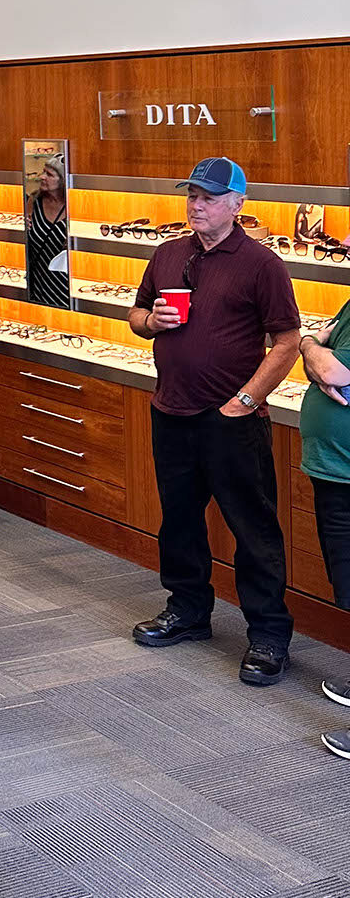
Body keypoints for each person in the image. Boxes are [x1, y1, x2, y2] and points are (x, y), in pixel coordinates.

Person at [128, 157, 301, 685]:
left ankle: (269, 636)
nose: (197, 205)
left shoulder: (261, 264)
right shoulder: (166, 254)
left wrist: (245, 401)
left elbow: (288, 341)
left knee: (253, 529)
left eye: (208, 197)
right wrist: (150, 322)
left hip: (231, 421)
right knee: (178, 520)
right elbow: (136, 316)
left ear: (237, 205)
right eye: (192, 196)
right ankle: (188, 610)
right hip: (171, 411)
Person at [295, 303, 350, 756]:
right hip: (337, 472)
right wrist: (312, 348)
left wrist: (310, 348)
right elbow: (321, 355)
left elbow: (330, 367)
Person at [25, 154, 70, 307]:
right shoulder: (34, 201)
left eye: (49, 174)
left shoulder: (74, 207)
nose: (42, 177)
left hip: (65, 287)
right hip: (38, 283)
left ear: (63, 180)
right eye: (43, 172)